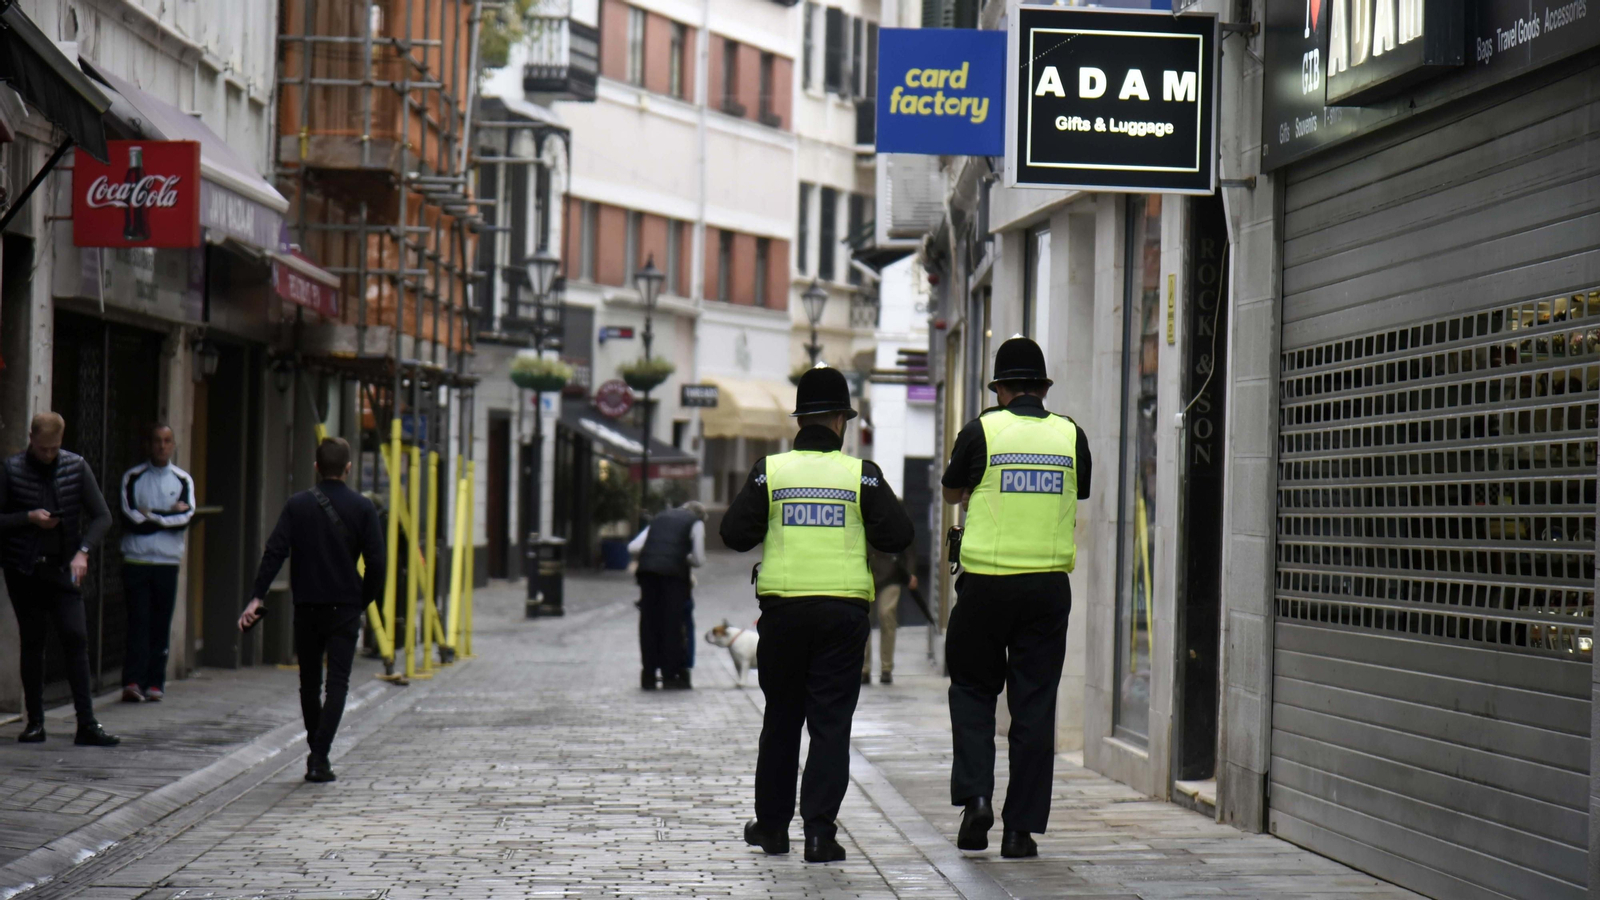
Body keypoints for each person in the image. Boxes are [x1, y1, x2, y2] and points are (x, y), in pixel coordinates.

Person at [721, 365, 914, 864]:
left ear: (800, 420)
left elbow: (734, 534)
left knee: (781, 721)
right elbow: (899, 536)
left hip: (784, 613)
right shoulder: (861, 474)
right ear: (839, 421)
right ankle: (819, 834)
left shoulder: (771, 470)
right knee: (831, 724)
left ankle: (772, 828)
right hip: (842, 616)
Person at [940, 336, 1092, 859]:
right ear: (1042, 389)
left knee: (973, 691)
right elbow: (1082, 490)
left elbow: (950, 490)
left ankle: (977, 798)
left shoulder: (982, 429)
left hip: (985, 585)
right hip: (1047, 589)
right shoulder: (1072, 435)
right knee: (1033, 705)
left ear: (1001, 388)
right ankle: (1019, 831)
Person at [239, 437, 384, 783]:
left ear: (317, 467)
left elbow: (275, 551)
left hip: (307, 606)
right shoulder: (363, 508)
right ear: (348, 468)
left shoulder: (297, 505)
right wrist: (362, 600)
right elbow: (377, 563)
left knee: (308, 684)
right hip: (345, 607)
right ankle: (319, 757)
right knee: (338, 685)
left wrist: (257, 596)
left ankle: (316, 751)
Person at [0, 412, 118, 746]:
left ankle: (87, 723)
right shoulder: (11, 469)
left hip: (63, 567)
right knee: (33, 642)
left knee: (76, 638)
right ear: (31, 439)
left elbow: (102, 516)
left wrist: (83, 550)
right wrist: (29, 518)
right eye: (42, 449)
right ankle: (35, 722)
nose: (48, 455)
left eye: (54, 449)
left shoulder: (75, 467)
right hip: (24, 569)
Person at [118, 424, 196, 703]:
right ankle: (133, 681)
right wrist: (167, 517)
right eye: (157, 441)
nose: (162, 446)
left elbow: (185, 520)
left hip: (167, 562)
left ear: (173, 445)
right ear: (149, 445)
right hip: (136, 559)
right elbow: (129, 518)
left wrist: (151, 515)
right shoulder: (133, 477)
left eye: (166, 441)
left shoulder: (183, 480)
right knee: (138, 621)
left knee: (160, 624)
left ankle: (155, 683)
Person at [628, 499, 707, 690]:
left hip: (647, 574)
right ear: (700, 517)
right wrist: (682, 555)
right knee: (672, 623)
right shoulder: (695, 523)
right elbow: (698, 559)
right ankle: (670, 674)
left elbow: (633, 547)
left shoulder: (660, 518)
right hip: (673, 576)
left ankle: (648, 674)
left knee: (649, 622)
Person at [862, 545, 917, 686]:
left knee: (887, 615)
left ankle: (886, 668)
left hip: (891, 574)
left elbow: (908, 545)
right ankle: (864, 669)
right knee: (863, 620)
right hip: (864, 573)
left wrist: (910, 573)